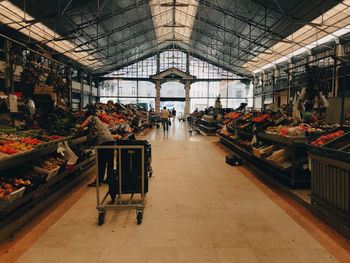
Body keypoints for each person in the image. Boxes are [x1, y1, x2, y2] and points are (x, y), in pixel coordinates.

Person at [76, 104, 115, 187]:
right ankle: (109, 179)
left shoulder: (91, 117)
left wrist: (76, 134)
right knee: (109, 162)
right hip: (110, 140)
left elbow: (81, 126)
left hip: (103, 142)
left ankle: (98, 181)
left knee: (101, 162)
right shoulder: (97, 118)